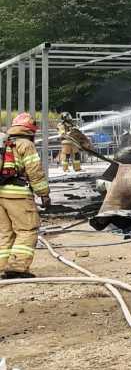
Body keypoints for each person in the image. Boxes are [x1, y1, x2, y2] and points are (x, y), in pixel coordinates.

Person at [0, 113, 50, 278]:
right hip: (18, 195)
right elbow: (34, 171)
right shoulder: (26, 145)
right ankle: (18, 267)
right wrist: (44, 194)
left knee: (6, 233)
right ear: (31, 130)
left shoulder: (4, 143)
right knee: (27, 229)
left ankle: (2, 266)